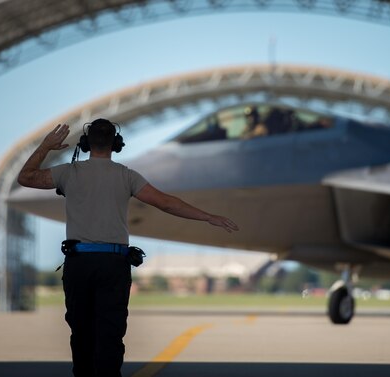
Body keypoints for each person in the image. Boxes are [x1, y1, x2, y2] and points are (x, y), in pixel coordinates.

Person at [17, 119, 239, 377]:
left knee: (81, 333)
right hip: (113, 265)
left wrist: (45, 146)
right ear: (116, 144)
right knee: (110, 334)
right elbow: (166, 203)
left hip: (80, 264)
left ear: (86, 144)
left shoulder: (68, 173)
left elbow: (26, 177)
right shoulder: (127, 175)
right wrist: (207, 216)